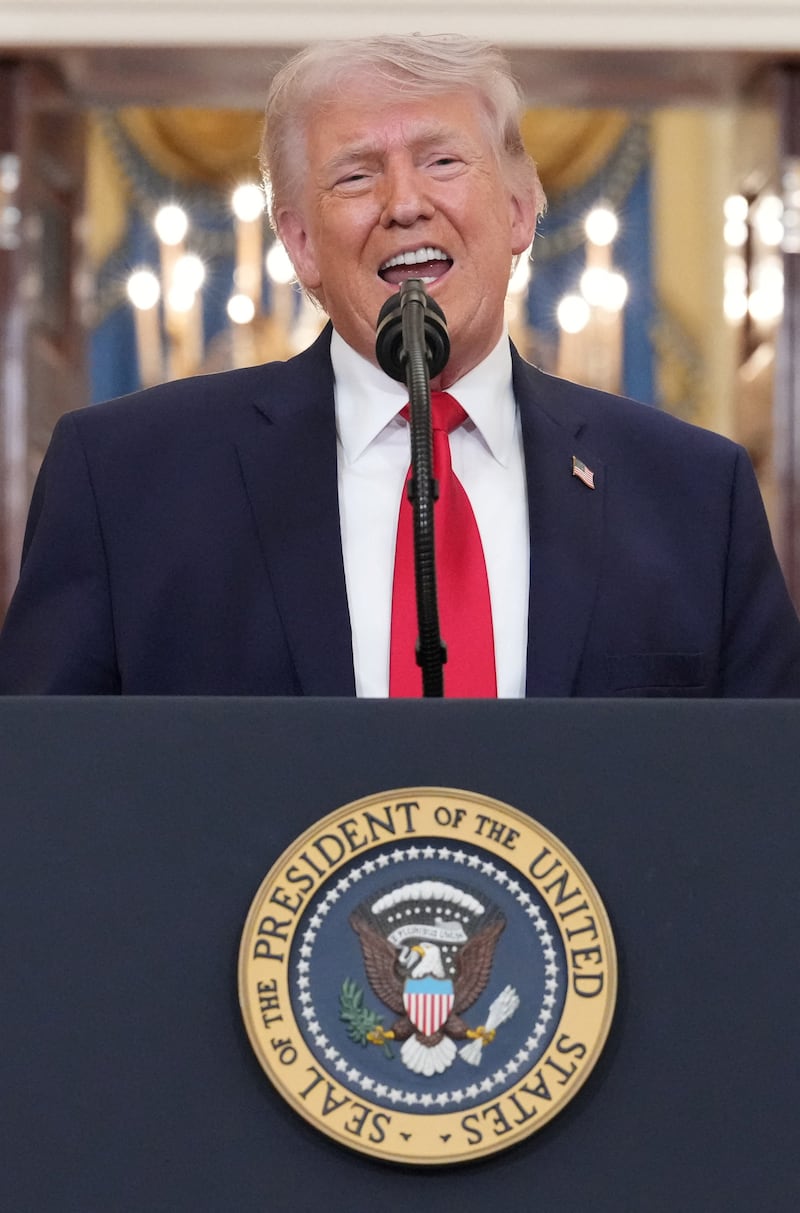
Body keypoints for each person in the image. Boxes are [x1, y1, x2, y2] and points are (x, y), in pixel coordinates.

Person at [1, 33, 799, 696]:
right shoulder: (124, 482)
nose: (405, 202)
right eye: (355, 174)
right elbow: (44, 805)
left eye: (443, 162)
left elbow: (762, 810)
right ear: (301, 244)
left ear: (520, 211)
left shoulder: (696, 496)